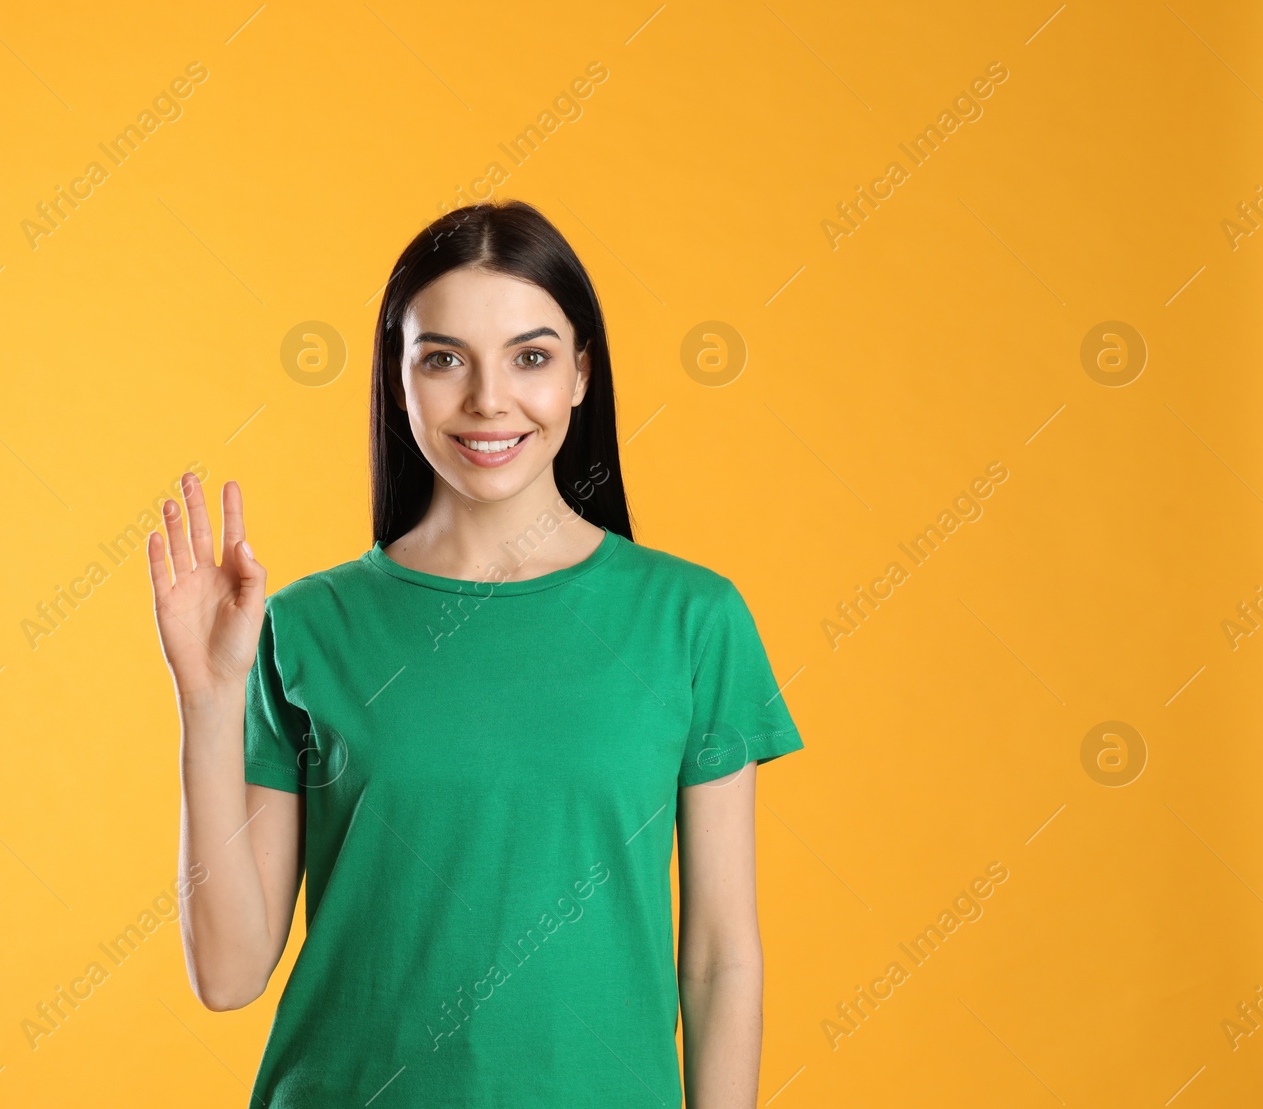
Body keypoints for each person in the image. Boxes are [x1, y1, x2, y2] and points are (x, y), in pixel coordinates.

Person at [147, 199, 804, 1107]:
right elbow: (227, 974)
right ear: (399, 380)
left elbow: (721, 958)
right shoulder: (304, 627)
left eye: (530, 356)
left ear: (580, 373)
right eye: (444, 359)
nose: (488, 399)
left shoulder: (691, 620)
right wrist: (209, 702)